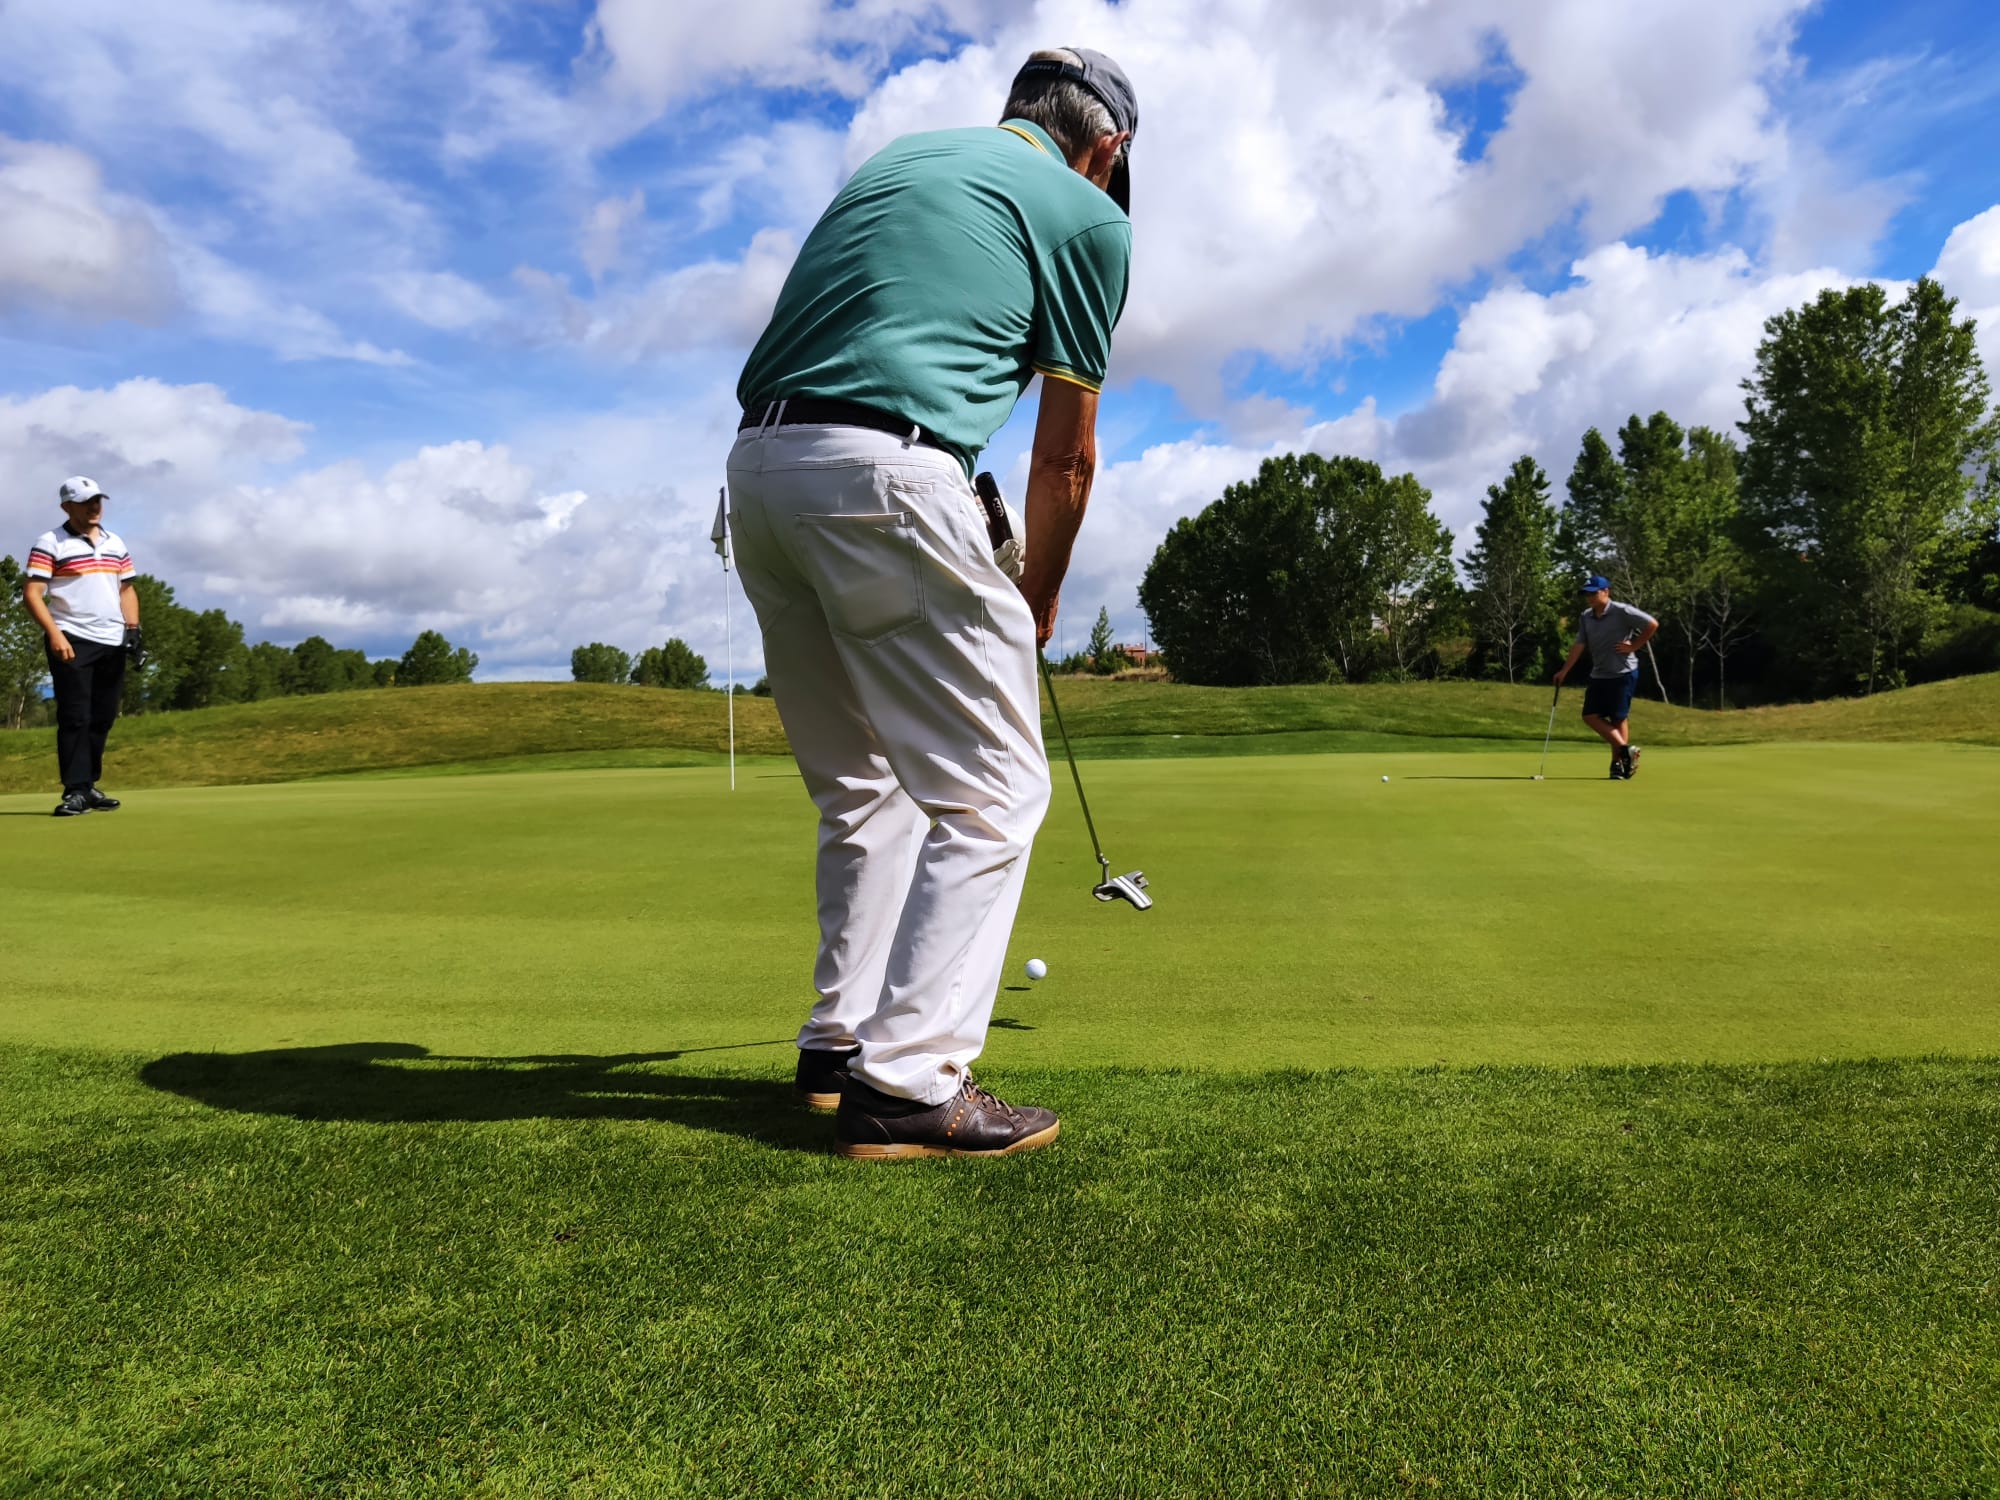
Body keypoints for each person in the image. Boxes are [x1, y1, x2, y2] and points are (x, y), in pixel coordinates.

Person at [726, 46, 1136, 1159]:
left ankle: (836, 1046)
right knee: (995, 790)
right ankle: (907, 1087)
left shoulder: (896, 160)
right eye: (1112, 170)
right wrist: (1037, 595)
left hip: (755, 475)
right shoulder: (1089, 215)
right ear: (1105, 148)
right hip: (885, 473)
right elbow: (1065, 460)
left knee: (864, 788)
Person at [22, 477, 143, 817]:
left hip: (111, 639)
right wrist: (55, 634)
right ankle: (75, 789)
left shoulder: (114, 541)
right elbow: (32, 594)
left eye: (98, 500)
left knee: (102, 717)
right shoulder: (50, 542)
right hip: (72, 638)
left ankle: (89, 786)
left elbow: (126, 590)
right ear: (67, 507)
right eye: (87, 501)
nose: (95, 507)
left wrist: (132, 629)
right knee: (76, 716)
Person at [1554, 574, 1657, 780]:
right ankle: (1625, 749)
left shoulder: (1622, 611)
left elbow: (1652, 624)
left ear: (1606, 592)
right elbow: (1579, 645)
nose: (1590, 598)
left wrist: (1635, 645)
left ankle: (1617, 765)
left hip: (1623, 672)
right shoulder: (1586, 617)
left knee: (1618, 718)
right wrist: (1564, 671)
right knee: (1589, 715)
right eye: (1587, 594)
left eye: (1593, 593)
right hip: (1599, 673)